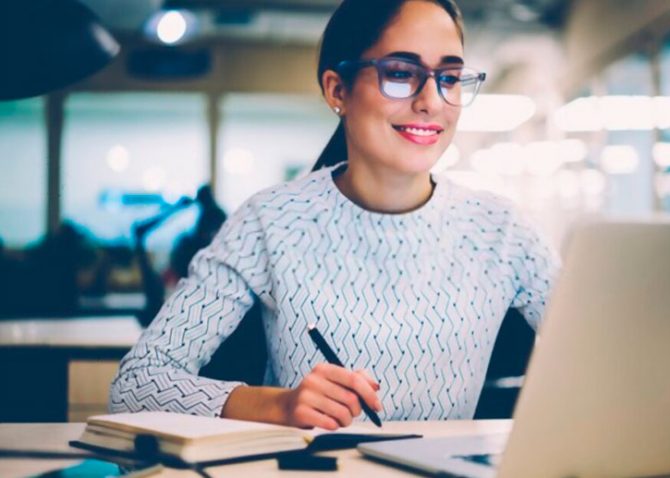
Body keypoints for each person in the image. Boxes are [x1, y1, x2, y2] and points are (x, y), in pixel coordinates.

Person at [109, 0, 558, 431]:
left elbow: (610, 362)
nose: (432, 101)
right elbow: (136, 384)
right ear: (337, 90)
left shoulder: (502, 231)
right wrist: (275, 405)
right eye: (400, 73)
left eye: (450, 77)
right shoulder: (272, 221)